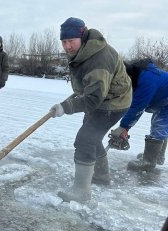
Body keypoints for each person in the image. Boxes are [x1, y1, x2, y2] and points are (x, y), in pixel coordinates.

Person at [50, 17, 132, 203]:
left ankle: (81, 192)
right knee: (92, 136)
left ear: (82, 35)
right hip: (104, 99)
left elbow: (94, 97)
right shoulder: (85, 51)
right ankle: (101, 176)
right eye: (64, 42)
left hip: (113, 103)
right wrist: (65, 104)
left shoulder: (98, 58)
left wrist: (67, 107)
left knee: (85, 139)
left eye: (71, 41)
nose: (67, 46)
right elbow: (88, 89)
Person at [110, 58, 168, 173]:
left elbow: (137, 106)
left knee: (159, 125)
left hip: (166, 100)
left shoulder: (146, 79)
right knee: (160, 125)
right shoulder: (139, 75)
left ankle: (149, 162)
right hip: (164, 99)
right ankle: (157, 157)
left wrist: (124, 127)